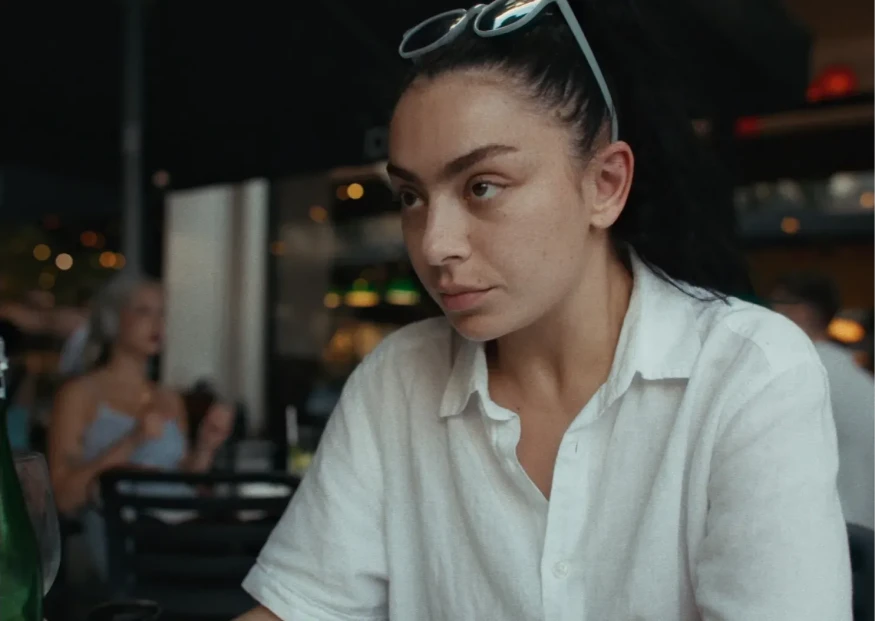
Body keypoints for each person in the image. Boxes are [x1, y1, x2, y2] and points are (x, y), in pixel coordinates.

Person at [237, 1, 852, 619]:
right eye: (411, 197)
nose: (434, 244)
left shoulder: (746, 372)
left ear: (605, 185)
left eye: (482, 186)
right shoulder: (398, 380)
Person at [47, 272, 234, 577]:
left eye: (162, 313)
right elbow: (63, 497)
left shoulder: (169, 398)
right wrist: (132, 441)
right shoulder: (79, 394)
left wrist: (205, 447)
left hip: (184, 531)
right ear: (112, 320)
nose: (157, 323)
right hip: (126, 543)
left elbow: (185, 481)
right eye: (143, 311)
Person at [772, 271, 875, 530]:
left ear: (802, 312)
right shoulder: (848, 371)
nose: (769, 313)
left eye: (776, 303)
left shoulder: (802, 370)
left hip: (834, 529)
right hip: (859, 525)